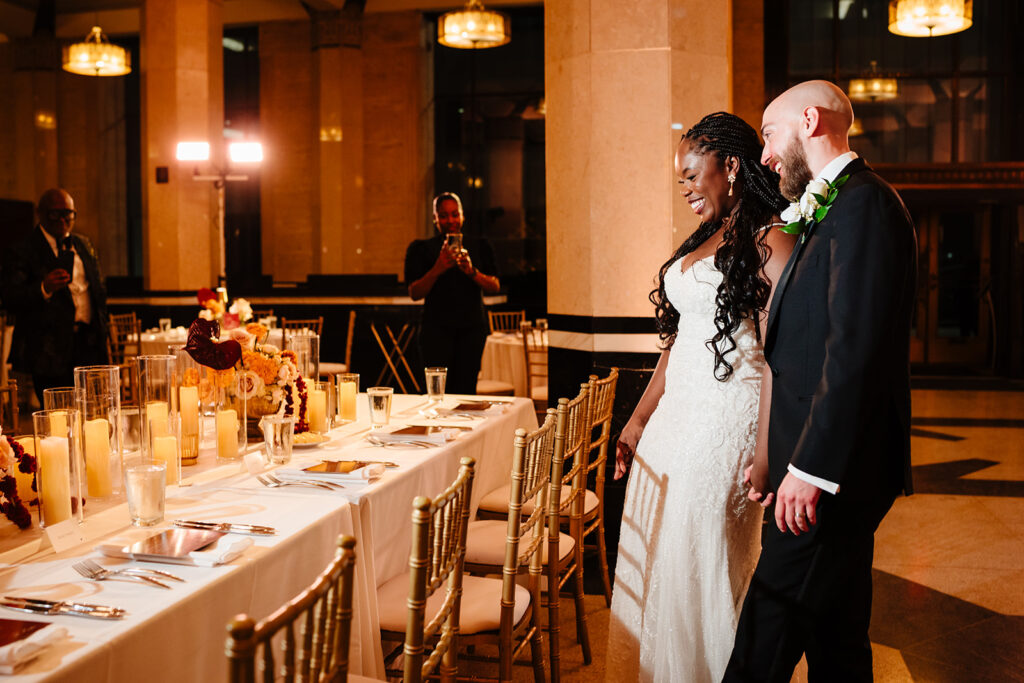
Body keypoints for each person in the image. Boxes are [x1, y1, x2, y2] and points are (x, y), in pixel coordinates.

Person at [724, 81, 916, 681]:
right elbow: (802, 348)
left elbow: (852, 351)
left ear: (809, 121)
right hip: (819, 467)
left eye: (769, 133)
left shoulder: (864, 204)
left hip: (832, 480)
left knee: (763, 643)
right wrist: (779, 458)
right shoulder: (832, 208)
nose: (764, 155)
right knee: (838, 641)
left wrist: (808, 471)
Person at [606, 112, 795, 682]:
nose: (685, 188)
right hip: (673, 426)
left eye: (692, 174)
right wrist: (638, 422)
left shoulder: (772, 241)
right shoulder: (703, 240)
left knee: (703, 561)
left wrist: (765, 452)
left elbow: (778, 358)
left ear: (731, 166)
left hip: (724, 426)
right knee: (665, 559)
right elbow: (678, 345)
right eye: (679, 179)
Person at [1, 188, 109, 404]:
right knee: (58, 415)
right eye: (55, 213)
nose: (63, 219)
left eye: (68, 213)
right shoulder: (23, 249)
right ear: (40, 213)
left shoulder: (84, 245)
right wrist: (44, 288)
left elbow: (98, 291)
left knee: (95, 411)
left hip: (89, 344)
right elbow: (11, 298)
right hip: (49, 351)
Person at [404, 192, 500, 394]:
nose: (450, 220)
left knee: (466, 391)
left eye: (455, 214)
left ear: (462, 216)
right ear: (435, 218)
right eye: (444, 215)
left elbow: (495, 285)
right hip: (435, 332)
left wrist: (472, 272)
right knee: (436, 393)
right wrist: (438, 268)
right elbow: (414, 292)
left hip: (472, 330)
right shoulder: (421, 249)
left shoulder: (480, 245)